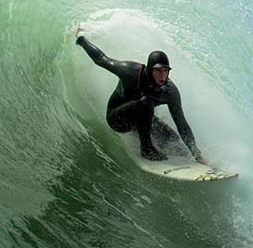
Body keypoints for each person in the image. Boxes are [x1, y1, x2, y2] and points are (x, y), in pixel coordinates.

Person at [74, 26, 207, 164]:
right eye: (158, 71)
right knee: (146, 102)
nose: (163, 76)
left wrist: (196, 154)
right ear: (150, 69)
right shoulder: (130, 72)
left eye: (166, 71)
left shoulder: (169, 91)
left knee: (174, 143)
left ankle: (197, 160)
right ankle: (147, 150)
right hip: (117, 119)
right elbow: (101, 59)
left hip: (141, 122)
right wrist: (81, 39)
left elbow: (182, 124)